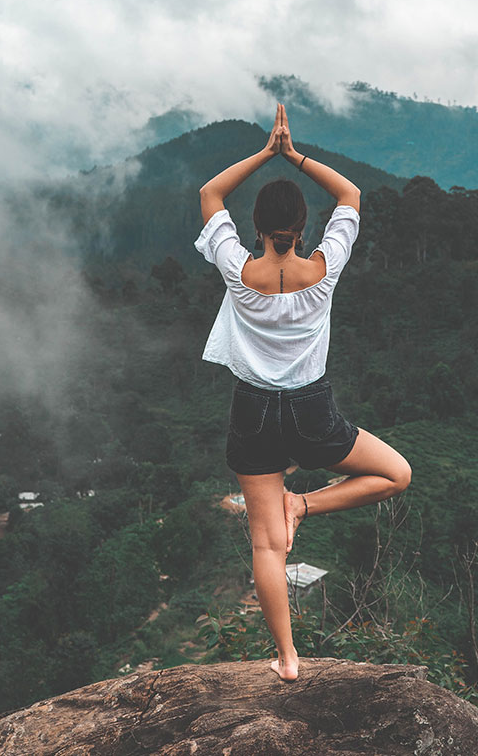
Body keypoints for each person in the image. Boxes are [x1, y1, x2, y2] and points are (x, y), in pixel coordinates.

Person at [194, 104, 411, 681]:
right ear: (302, 228)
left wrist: (264, 153)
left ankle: (288, 660)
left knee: (269, 547)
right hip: (313, 412)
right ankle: (307, 504)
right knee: (396, 474)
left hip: (253, 413)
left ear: (258, 229)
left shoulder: (237, 271)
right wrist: (296, 156)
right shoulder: (325, 267)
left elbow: (210, 195)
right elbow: (352, 196)